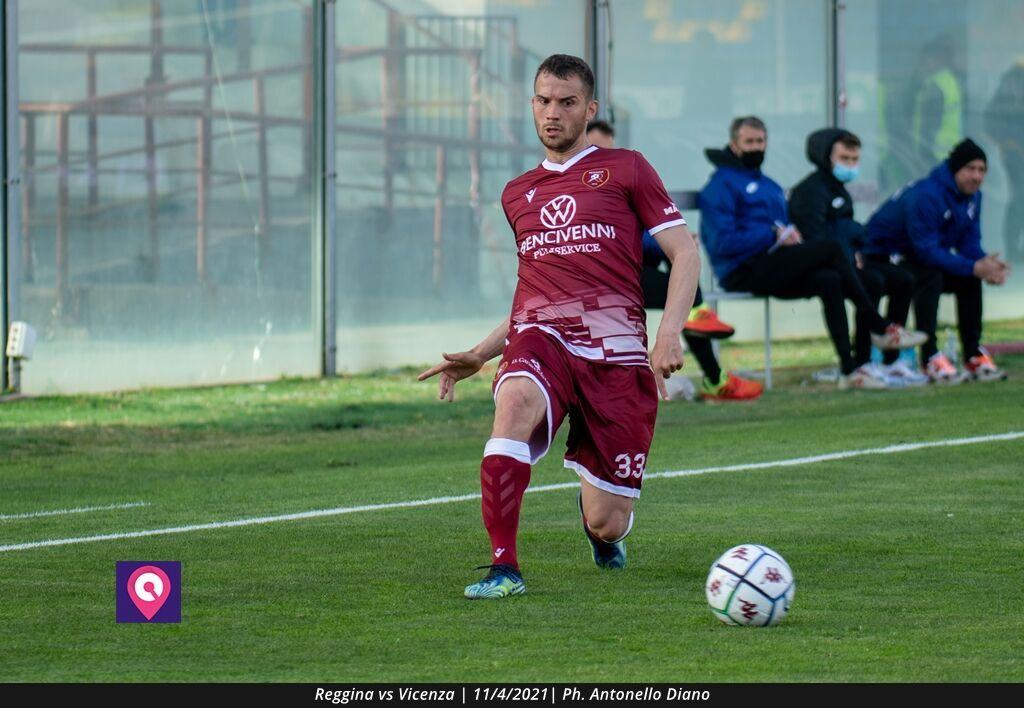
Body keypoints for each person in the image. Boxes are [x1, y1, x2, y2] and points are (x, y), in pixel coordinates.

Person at [418, 55, 700, 599]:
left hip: (616, 353)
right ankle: (504, 568)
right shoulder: (516, 193)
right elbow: (535, 293)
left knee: (608, 520)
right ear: (532, 105)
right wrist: (481, 353)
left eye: (567, 102)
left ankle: (599, 522)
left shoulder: (628, 168)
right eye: (544, 101)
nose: (553, 113)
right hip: (542, 340)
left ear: (589, 109)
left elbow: (684, 252)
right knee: (515, 404)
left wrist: (668, 333)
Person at [698, 116, 926, 389]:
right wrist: (772, 235)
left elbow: (783, 226)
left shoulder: (769, 184)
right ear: (734, 145)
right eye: (749, 142)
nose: (756, 147)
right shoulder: (719, 186)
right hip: (743, 269)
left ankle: (851, 371)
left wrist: (789, 234)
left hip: (774, 263)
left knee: (829, 279)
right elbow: (722, 242)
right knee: (830, 249)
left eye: (760, 141)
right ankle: (878, 326)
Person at [587, 120, 762, 402]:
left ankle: (700, 326)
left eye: (609, 152)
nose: (603, 160)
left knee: (681, 262)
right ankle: (711, 365)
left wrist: (675, 242)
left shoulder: (617, 183)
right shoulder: (582, 191)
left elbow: (635, 236)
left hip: (625, 272)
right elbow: (612, 242)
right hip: (599, 279)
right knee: (682, 290)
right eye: (595, 151)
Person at [864, 138, 1011, 383]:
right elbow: (926, 251)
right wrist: (974, 266)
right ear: (955, 169)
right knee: (930, 276)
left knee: (969, 279)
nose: (976, 176)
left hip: (918, 256)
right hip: (882, 256)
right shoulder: (927, 195)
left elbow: (969, 243)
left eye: (982, 170)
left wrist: (987, 266)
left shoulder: (973, 197)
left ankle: (973, 355)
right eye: (970, 169)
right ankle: (930, 357)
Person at [788, 128, 925, 387]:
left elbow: (849, 232)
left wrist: (856, 246)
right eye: (844, 158)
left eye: (854, 159)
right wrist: (851, 244)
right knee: (871, 281)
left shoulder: (839, 190)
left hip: (849, 260)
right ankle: (863, 361)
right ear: (825, 156)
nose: (850, 165)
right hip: (823, 266)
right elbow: (818, 239)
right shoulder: (811, 191)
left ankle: (890, 360)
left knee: (904, 279)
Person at [984, 60, 1024, 264]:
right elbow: (991, 119)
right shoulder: (1014, 80)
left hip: (1016, 151)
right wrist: (1008, 144)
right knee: (1019, 198)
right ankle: (1013, 247)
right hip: (1017, 154)